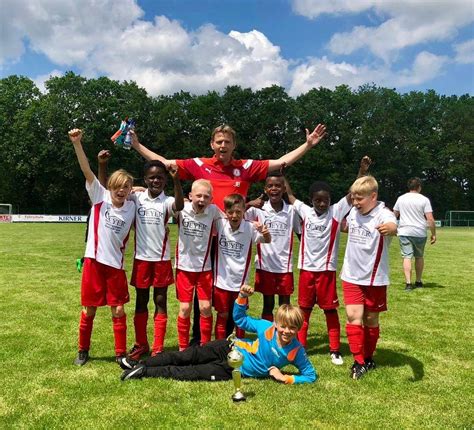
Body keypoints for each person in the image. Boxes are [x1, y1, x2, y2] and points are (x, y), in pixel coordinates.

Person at [131, 123, 326, 343]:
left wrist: (307, 145)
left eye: (227, 142)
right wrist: (137, 145)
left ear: (234, 145)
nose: (223, 145)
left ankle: (230, 339)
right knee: (203, 292)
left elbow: (281, 162)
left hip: (234, 239)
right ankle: (199, 339)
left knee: (232, 288)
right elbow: (165, 163)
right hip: (206, 240)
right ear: (212, 144)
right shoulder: (199, 165)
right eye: (219, 142)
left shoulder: (246, 167)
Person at [119, 284, 317, 384]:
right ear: (276, 323)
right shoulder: (266, 328)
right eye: (283, 326)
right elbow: (240, 319)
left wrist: (285, 378)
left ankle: (143, 372)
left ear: (298, 329)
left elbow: (310, 375)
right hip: (227, 347)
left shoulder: (296, 351)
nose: (287, 331)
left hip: (232, 369)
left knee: (192, 372)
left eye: (292, 328)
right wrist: (242, 297)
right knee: (185, 356)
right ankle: (139, 363)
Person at [285, 156, 372, 366]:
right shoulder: (305, 211)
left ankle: (334, 350)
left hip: (326, 272)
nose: (322, 204)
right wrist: (282, 173)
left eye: (326, 200)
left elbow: (352, 194)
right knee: (304, 311)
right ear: (311, 200)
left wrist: (362, 171)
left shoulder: (336, 211)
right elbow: (290, 196)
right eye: (318, 200)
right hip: (306, 270)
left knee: (330, 311)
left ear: (331, 200)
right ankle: (301, 347)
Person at [68, 128, 136, 366]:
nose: (121, 190)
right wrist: (77, 144)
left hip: (115, 266)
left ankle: (120, 353)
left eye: (125, 187)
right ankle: (82, 350)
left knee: (118, 311)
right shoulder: (100, 197)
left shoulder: (132, 206)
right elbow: (86, 170)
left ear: (130, 190)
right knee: (89, 310)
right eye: (117, 186)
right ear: (110, 187)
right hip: (94, 263)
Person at [340, 175, 397, 379]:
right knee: (353, 316)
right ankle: (358, 361)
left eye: (360, 198)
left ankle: (369, 357)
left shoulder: (383, 213)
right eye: (353, 198)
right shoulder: (353, 213)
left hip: (375, 278)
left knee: (371, 319)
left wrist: (390, 229)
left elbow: (393, 226)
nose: (355, 202)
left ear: (373, 196)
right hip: (351, 275)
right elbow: (345, 226)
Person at [127, 160, 184, 360]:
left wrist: (177, 181)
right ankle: (141, 344)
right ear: (145, 179)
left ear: (165, 180)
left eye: (160, 177)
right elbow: (116, 190)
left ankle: (158, 347)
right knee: (141, 301)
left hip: (161, 259)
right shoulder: (136, 198)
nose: (156, 180)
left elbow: (179, 205)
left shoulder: (167, 201)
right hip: (141, 259)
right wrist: (133, 187)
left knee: (160, 300)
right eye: (152, 177)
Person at [213, 193, 271, 339]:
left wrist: (265, 232)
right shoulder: (220, 223)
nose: (234, 215)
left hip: (240, 284)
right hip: (221, 282)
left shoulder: (250, 227)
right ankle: (219, 345)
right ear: (225, 212)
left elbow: (267, 240)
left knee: (240, 317)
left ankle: (239, 346)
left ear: (244, 211)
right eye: (230, 212)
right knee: (222, 315)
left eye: (238, 212)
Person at [174, 179, 222, 350]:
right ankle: (182, 348)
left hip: (204, 268)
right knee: (185, 308)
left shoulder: (213, 211)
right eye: (198, 195)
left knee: (206, 307)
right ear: (190, 196)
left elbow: (232, 219)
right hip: (184, 268)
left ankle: (205, 347)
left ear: (211, 199)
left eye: (206, 197)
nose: (202, 199)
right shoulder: (181, 209)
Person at [245, 171, 299, 321]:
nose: (274, 188)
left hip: (284, 267)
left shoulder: (292, 211)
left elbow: (300, 233)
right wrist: (249, 204)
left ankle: (283, 332)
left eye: (278, 185)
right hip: (265, 265)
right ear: (265, 189)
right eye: (270, 186)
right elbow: (235, 215)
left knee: (284, 305)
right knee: (268, 305)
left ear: (284, 189)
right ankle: (268, 333)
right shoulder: (257, 209)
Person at [393, 177, 436, 291]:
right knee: (419, 256)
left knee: (407, 257)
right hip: (420, 232)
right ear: (419, 187)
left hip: (404, 231)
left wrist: (393, 228)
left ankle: (408, 283)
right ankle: (418, 281)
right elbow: (430, 219)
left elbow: (394, 215)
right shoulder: (424, 199)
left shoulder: (401, 198)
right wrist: (433, 234)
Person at [76, 149, 110, 272]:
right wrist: (102, 165)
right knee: (93, 248)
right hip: (95, 231)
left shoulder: (120, 201)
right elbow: (99, 184)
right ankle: (82, 261)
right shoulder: (100, 200)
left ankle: (82, 260)